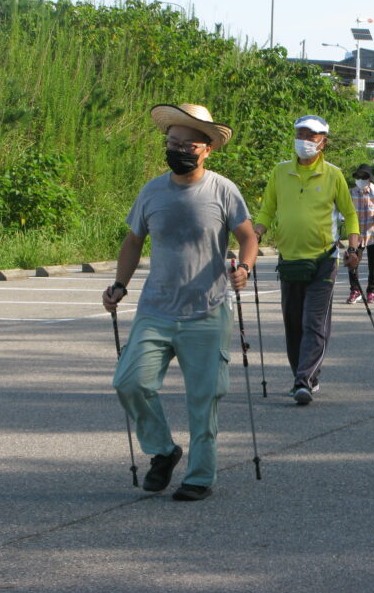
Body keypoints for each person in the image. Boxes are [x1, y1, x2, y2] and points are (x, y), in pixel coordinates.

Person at [103, 103, 258, 502]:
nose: (180, 149)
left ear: (207, 149)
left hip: (206, 310)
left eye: (190, 143)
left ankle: (200, 476)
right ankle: (163, 451)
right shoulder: (152, 191)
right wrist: (119, 284)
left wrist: (244, 267)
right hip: (156, 308)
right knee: (129, 382)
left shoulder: (223, 190)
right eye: (174, 142)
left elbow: (248, 236)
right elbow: (133, 240)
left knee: (204, 398)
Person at [253, 115, 360, 406]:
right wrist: (257, 231)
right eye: (300, 134)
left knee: (313, 321)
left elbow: (349, 213)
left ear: (323, 141)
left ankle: (302, 382)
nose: (304, 140)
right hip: (290, 261)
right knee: (293, 324)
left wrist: (354, 247)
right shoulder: (280, 172)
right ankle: (307, 375)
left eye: (311, 136)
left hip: (324, 259)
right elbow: (267, 210)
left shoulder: (333, 174)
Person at [347, 163, 374, 304]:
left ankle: (371, 291)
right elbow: (345, 210)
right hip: (356, 235)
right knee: (352, 262)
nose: (360, 179)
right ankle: (355, 290)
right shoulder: (351, 193)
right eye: (358, 176)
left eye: (363, 177)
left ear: (369, 178)